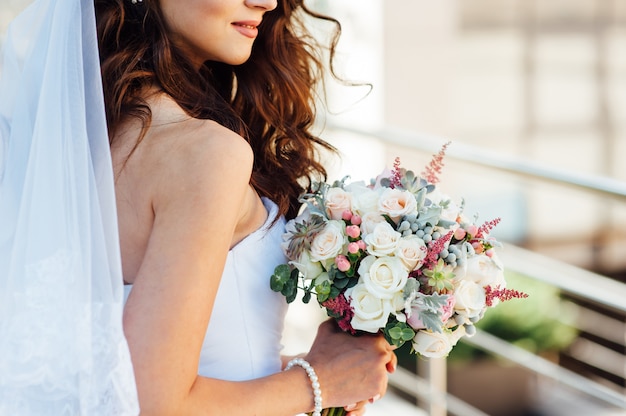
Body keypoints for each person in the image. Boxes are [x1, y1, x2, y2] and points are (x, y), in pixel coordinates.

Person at [96, 0, 397, 415]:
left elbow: (131, 360)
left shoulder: (86, 138)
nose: (267, 2)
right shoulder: (205, 153)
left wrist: (319, 369)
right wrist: (319, 381)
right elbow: (154, 404)